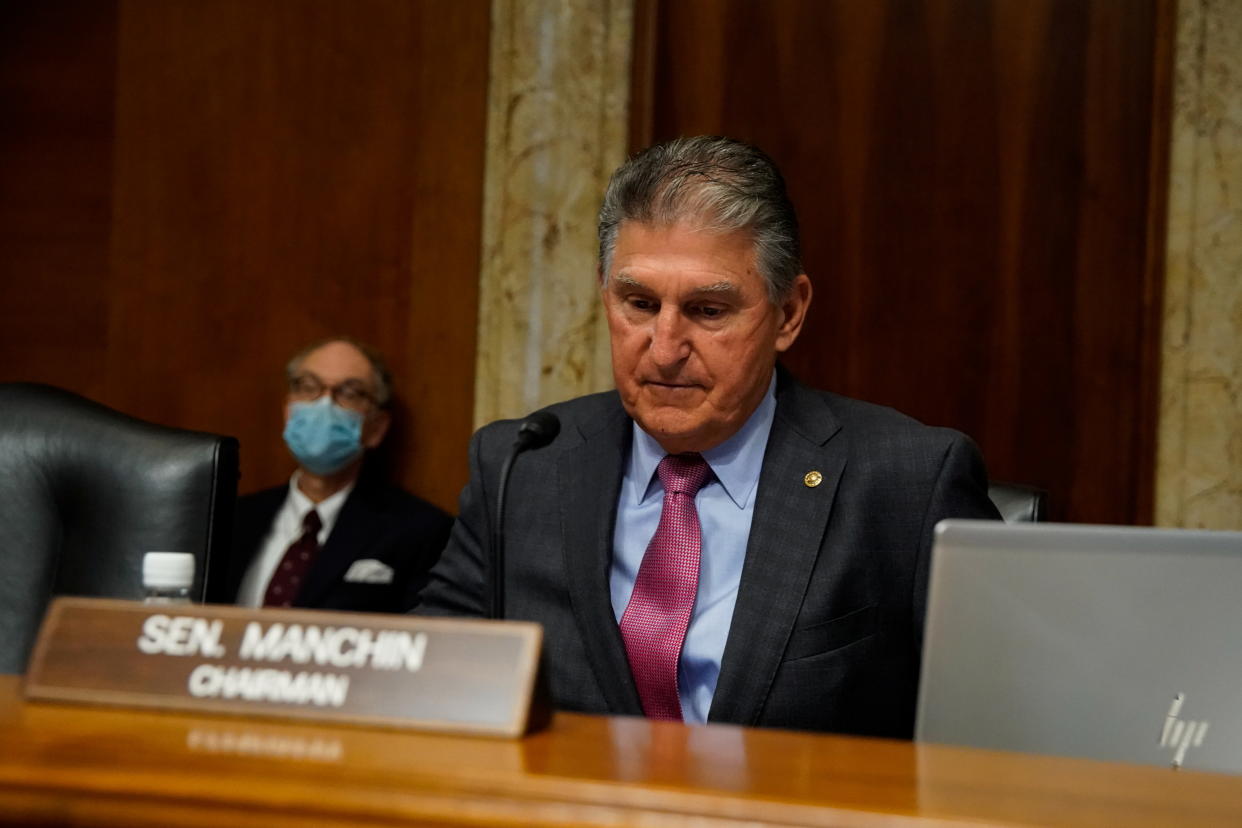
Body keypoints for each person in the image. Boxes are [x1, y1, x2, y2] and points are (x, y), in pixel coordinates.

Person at [414, 136, 1000, 737]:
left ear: (789, 312)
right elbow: (424, 686)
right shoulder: (524, 464)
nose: (664, 349)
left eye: (708, 310)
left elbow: (996, 729)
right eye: (638, 303)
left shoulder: (908, 482)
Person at [226, 337, 452, 614]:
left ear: (377, 428)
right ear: (288, 411)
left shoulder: (422, 531)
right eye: (309, 387)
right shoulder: (231, 519)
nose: (324, 405)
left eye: (349, 393)